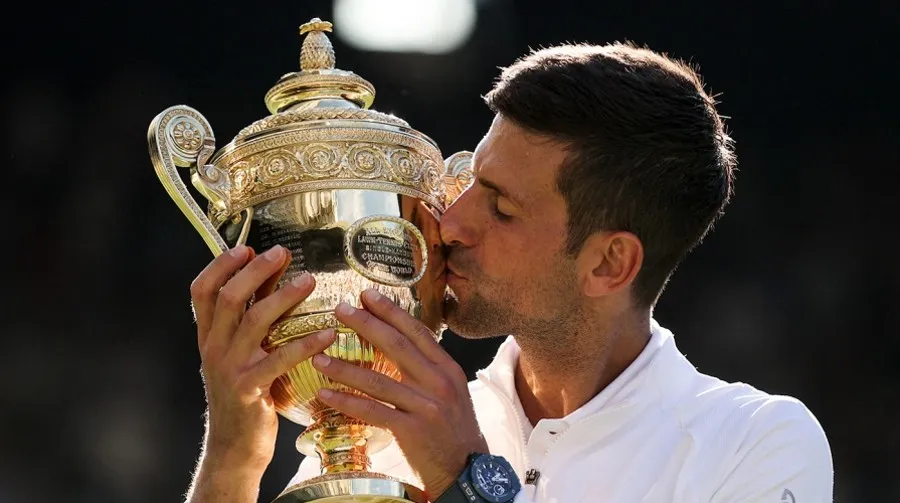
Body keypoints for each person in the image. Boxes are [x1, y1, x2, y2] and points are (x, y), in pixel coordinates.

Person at [183, 42, 833, 503]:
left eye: (501, 207)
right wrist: (233, 461)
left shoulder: (754, 443)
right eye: (470, 181)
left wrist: (462, 479)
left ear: (609, 263)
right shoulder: (378, 433)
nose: (451, 221)